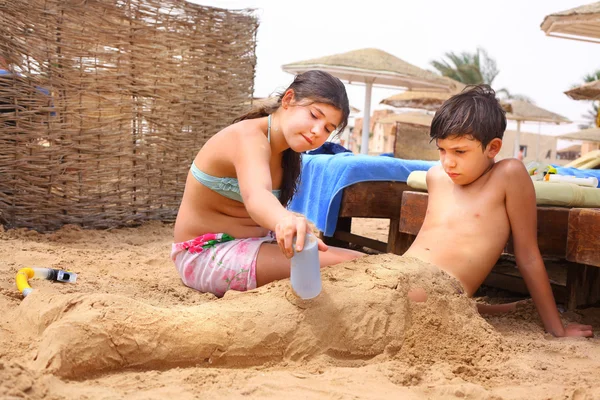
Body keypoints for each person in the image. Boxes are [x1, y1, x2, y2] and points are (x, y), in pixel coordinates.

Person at [403, 84, 593, 337]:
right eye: (442, 150)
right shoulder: (435, 176)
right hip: (400, 270)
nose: (448, 161)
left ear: (492, 148)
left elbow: (528, 254)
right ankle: (477, 308)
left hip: (439, 290)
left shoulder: (507, 175)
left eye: (460, 151)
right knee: (338, 260)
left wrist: (556, 329)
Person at [172, 70, 364, 297]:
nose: (317, 131)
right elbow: (257, 195)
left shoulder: (286, 154)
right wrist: (284, 219)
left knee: (359, 262)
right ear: (288, 99)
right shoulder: (248, 137)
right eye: (314, 115)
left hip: (258, 243)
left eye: (327, 129)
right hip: (205, 254)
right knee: (352, 267)